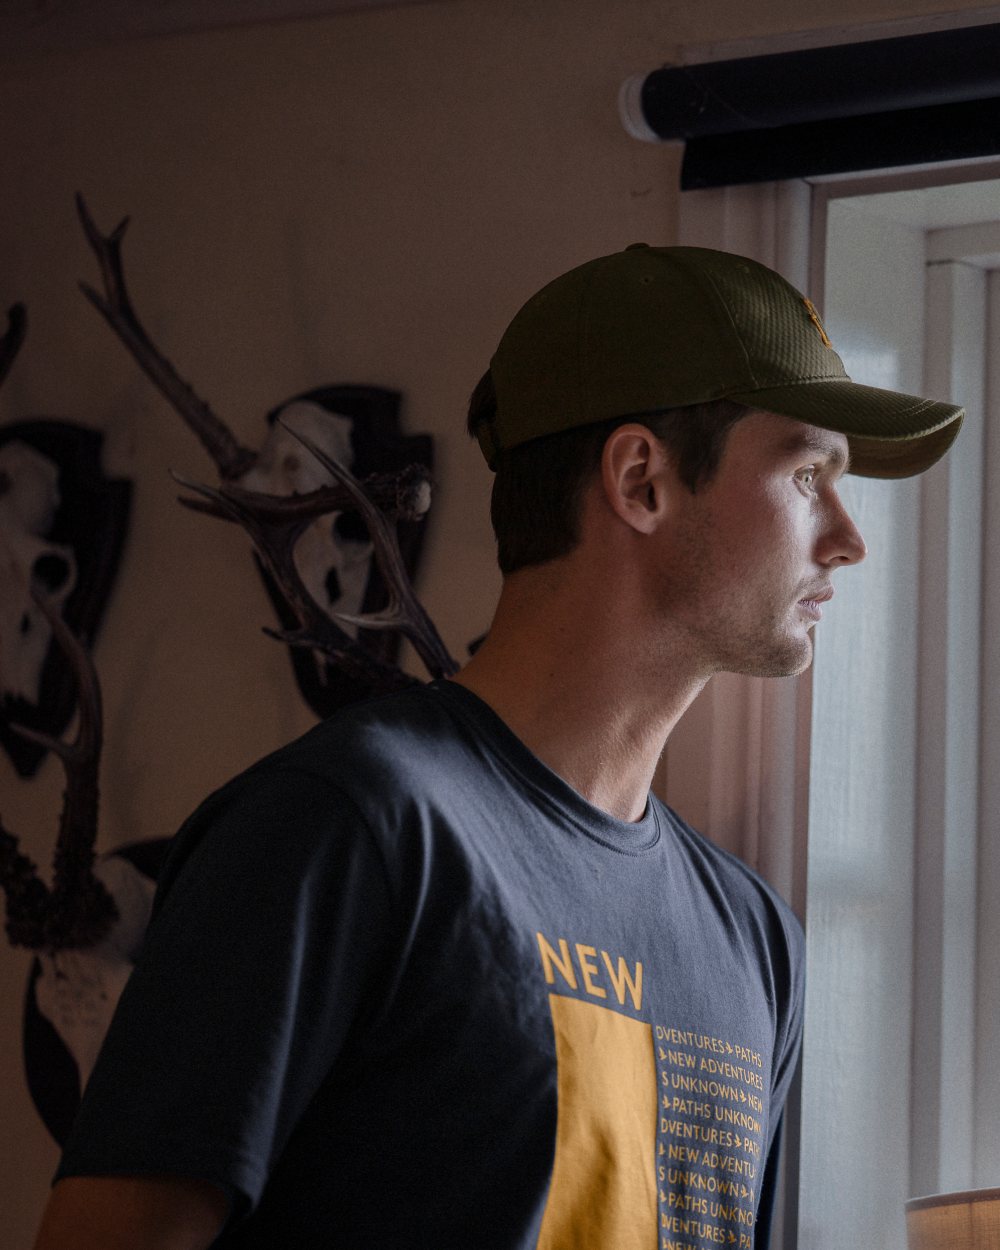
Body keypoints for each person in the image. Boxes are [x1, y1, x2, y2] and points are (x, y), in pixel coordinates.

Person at [34, 244, 962, 1250]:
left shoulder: (752, 940)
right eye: (807, 473)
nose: (847, 537)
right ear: (642, 479)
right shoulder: (346, 827)